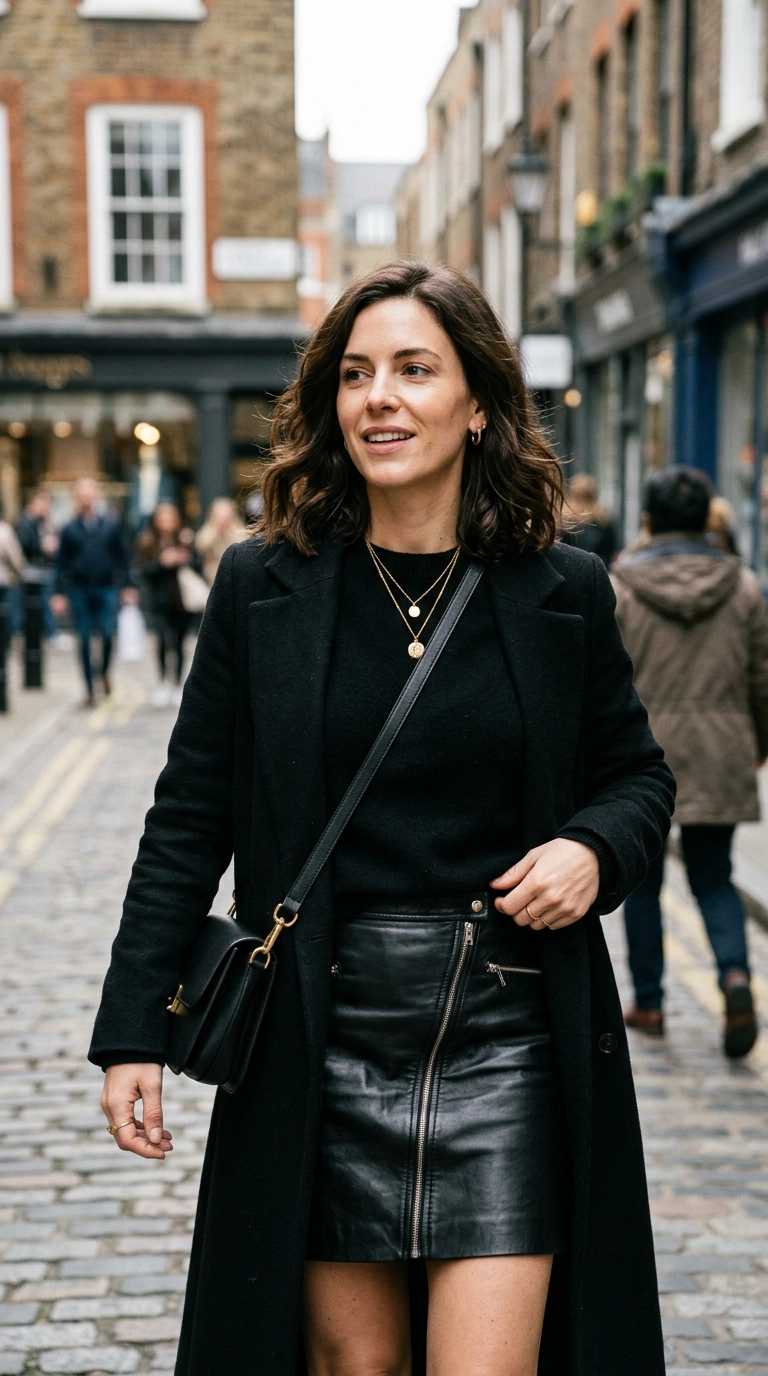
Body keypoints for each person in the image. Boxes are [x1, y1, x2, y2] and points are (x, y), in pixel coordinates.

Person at [90, 262, 674, 1376]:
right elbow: (189, 814)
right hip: (321, 1036)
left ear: (479, 403)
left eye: (414, 369)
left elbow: (639, 779)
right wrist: (132, 1032)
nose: (380, 398)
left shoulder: (562, 590)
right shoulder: (262, 585)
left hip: (507, 1036)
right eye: (356, 374)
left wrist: (593, 849)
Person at [613, 467, 768, 1058]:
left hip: (640, 756)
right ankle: (735, 975)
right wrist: (758, 744)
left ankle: (650, 1002)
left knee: (642, 884)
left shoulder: (621, 587)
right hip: (719, 749)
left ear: (648, 519)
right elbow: (761, 678)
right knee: (714, 877)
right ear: (707, 519)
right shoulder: (744, 586)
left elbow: (603, 682)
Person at [51, 478, 135, 707]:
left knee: (107, 635)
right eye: (81, 494)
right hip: (79, 589)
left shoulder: (111, 524)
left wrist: (128, 586)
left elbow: (123, 557)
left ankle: (103, 673)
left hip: (106, 587)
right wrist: (58, 593)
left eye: (89, 493)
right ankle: (89, 689)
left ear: (96, 495)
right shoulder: (69, 528)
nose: (86, 498)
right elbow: (61, 563)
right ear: (76, 498)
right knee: (84, 639)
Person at [134, 502, 195, 709]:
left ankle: (177, 684)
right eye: (163, 518)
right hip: (158, 602)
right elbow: (141, 571)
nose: (167, 522)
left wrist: (184, 558)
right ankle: (162, 683)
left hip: (181, 602)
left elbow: (197, 564)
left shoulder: (185, 538)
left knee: (179, 643)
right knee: (161, 640)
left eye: (171, 518)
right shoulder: (147, 541)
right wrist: (162, 562)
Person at [16, 490, 59, 638]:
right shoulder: (25, 521)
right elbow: (23, 544)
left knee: (43, 603)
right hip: (32, 569)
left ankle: (46, 633)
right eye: (44, 504)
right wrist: (41, 545)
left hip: (43, 568)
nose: (46, 508)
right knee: (30, 604)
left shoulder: (41, 521)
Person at [560, 472, 618, 567]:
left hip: (570, 568)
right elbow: (610, 550)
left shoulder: (565, 520)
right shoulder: (603, 519)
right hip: (598, 568)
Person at [194, 497, 247, 586]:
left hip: (236, 574)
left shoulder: (240, 534)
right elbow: (202, 547)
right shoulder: (206, 534)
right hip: (212, 576)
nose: (223, 520)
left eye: (226, 516)